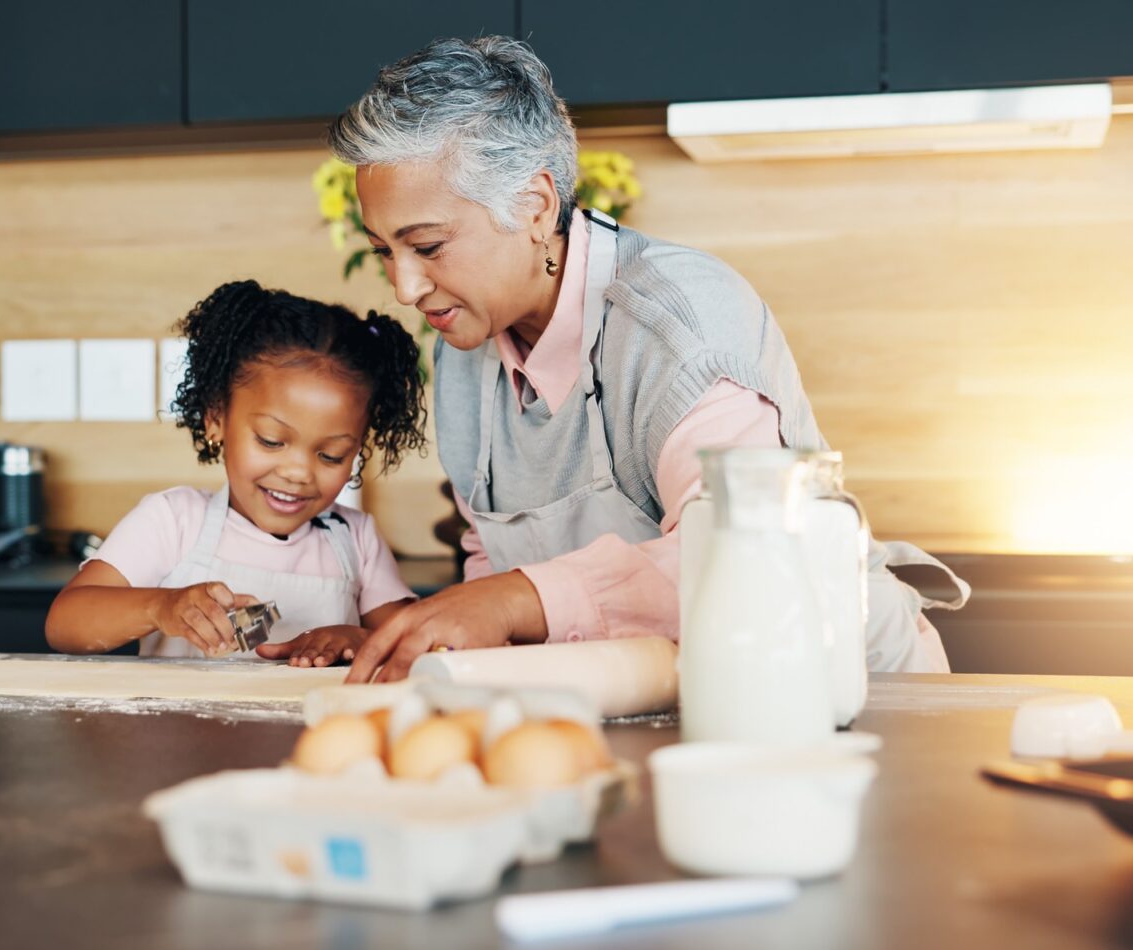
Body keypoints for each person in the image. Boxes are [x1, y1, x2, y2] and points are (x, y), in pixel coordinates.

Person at [327, 36, 968, 684]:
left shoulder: (680, 324)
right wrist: (433, 643)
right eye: (384, 250)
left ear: (536, 206)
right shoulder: (466, 348)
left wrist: (515, 600)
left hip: (845, 689)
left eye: (429, 247)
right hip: (672, 694)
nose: (405, 288)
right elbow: (489, 559)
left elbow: (742, 555)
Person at [45, 280, 427, 664]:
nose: (298, 473)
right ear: (216, 418)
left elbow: (419, 642)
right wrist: (161, 607)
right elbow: (65, 624)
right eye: (271, 441)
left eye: (331, 455)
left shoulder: (355, 540)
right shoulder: (173, 521)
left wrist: (360, 638)